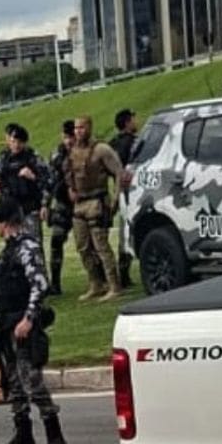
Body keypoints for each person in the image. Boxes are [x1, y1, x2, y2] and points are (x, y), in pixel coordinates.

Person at [0, 196, 64, 444]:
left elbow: (39, 285)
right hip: (7, 325)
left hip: (22, 325)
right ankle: (23, 434)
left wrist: (28, 319)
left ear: (4, 223)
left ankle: (54, 432)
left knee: (31, 379)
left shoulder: (26, 247)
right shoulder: (9, 250)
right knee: (14, 382)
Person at [67, 115, 125, 302]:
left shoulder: (101, 149)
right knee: (82, 246)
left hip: (97, 201)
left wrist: (115, 198)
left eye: (82, 127)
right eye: (76, 128)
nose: (78, 131)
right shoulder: (72, 150)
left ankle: (114, 285)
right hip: (79, 203)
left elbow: (118, 172)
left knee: (101, 246)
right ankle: (96, 283)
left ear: (89, 128)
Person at [0, 123, 51, 241]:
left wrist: (33, 177)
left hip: (29, 208)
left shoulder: (33, 158)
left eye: (20, 142)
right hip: (10, 210)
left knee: (33, 243)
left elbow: (48, 181)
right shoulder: (2, 158)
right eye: (14, 141)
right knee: (13, 245)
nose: (16, 145)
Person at [45, 120, 80, 296]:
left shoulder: (83, 152)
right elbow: (49, 181)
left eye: (71, 137)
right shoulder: (56, 155)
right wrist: (45, 204)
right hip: (62, 204)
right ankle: (55, 283)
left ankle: (100, 279)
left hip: (81, 202)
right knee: (56, 242)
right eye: (66, 137)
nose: (68, 141)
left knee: (88, 243)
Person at [109, 109, 138, 289]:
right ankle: (124, 275)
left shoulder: (112, 144)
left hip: (119, 191)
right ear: (127, 122)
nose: (136, 121)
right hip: (134, 191)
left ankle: (123, 273)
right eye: (133, 119)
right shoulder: (134, 143)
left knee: (123, 233)